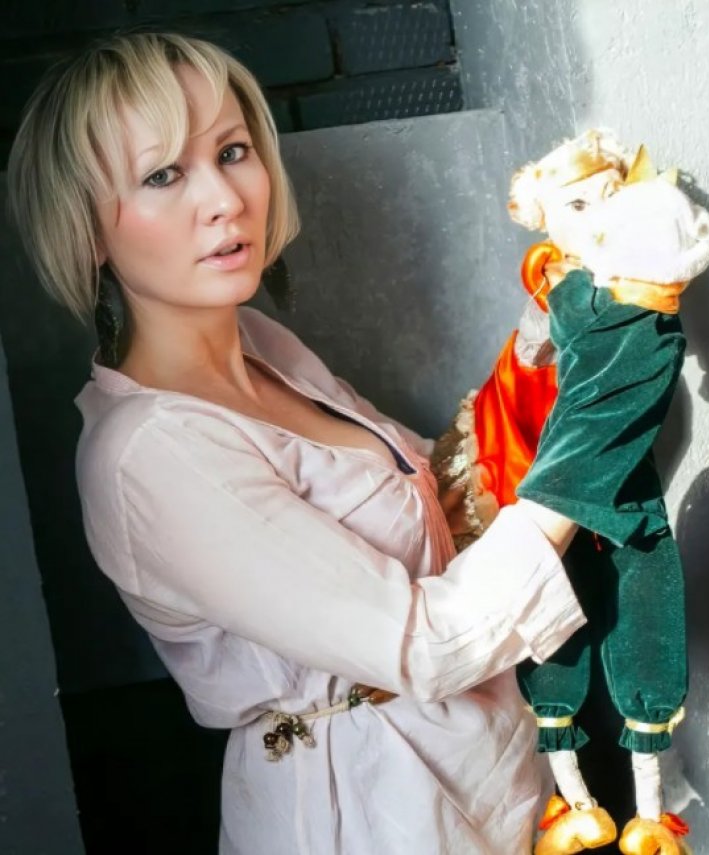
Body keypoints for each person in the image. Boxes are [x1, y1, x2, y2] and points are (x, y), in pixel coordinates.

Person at [7, 32, 588, 854]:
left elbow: (441, 497)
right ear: (89, 229)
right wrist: (591, 445)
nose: (224, 199)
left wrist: (548, 339)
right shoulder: (149, 455)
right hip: (365, 811)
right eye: (163, 174)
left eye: (232, 151)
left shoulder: (260, 345)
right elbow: (424, 643)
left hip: (479, 769)